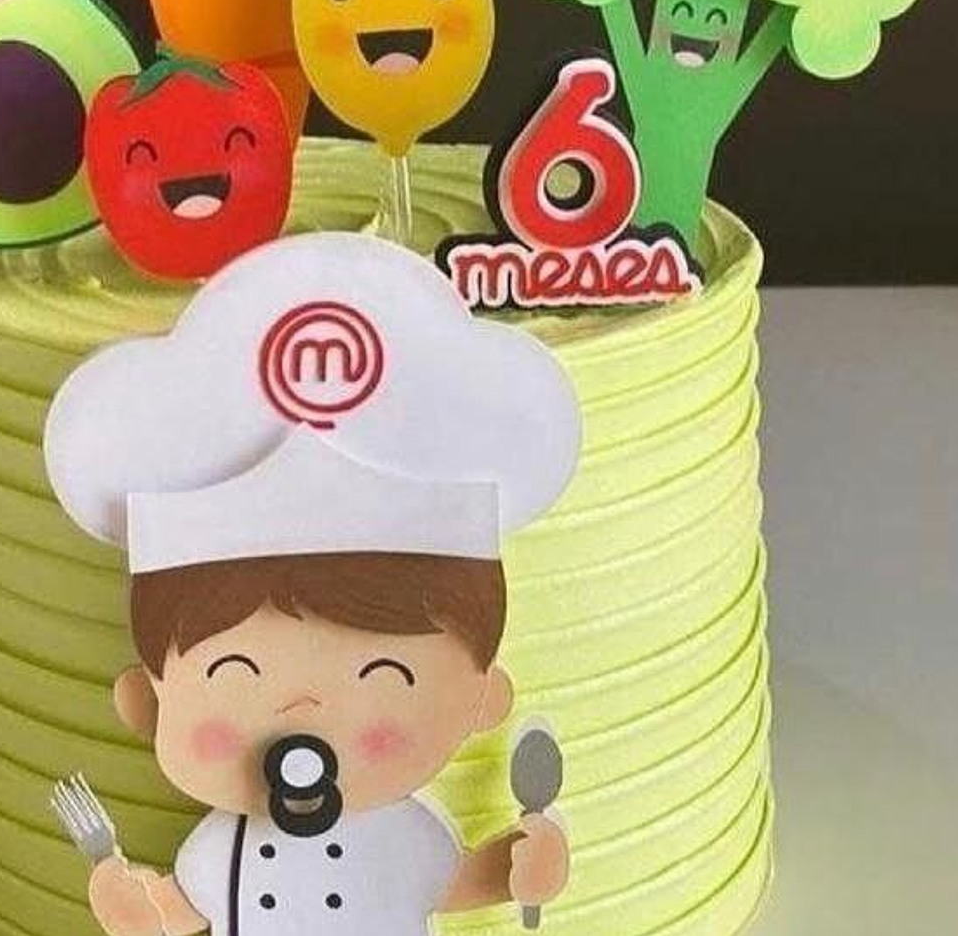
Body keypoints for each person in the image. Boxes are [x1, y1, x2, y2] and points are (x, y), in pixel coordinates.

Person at [45, 233, 583, 935]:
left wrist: (522, 868)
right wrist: (136, 909)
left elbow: (457, 884)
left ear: (484, 698)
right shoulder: (222, 849)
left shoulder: (403, 838)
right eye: (234, 674)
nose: (305, 708)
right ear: (145, 703)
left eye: (385, 675)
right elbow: (178, 910)